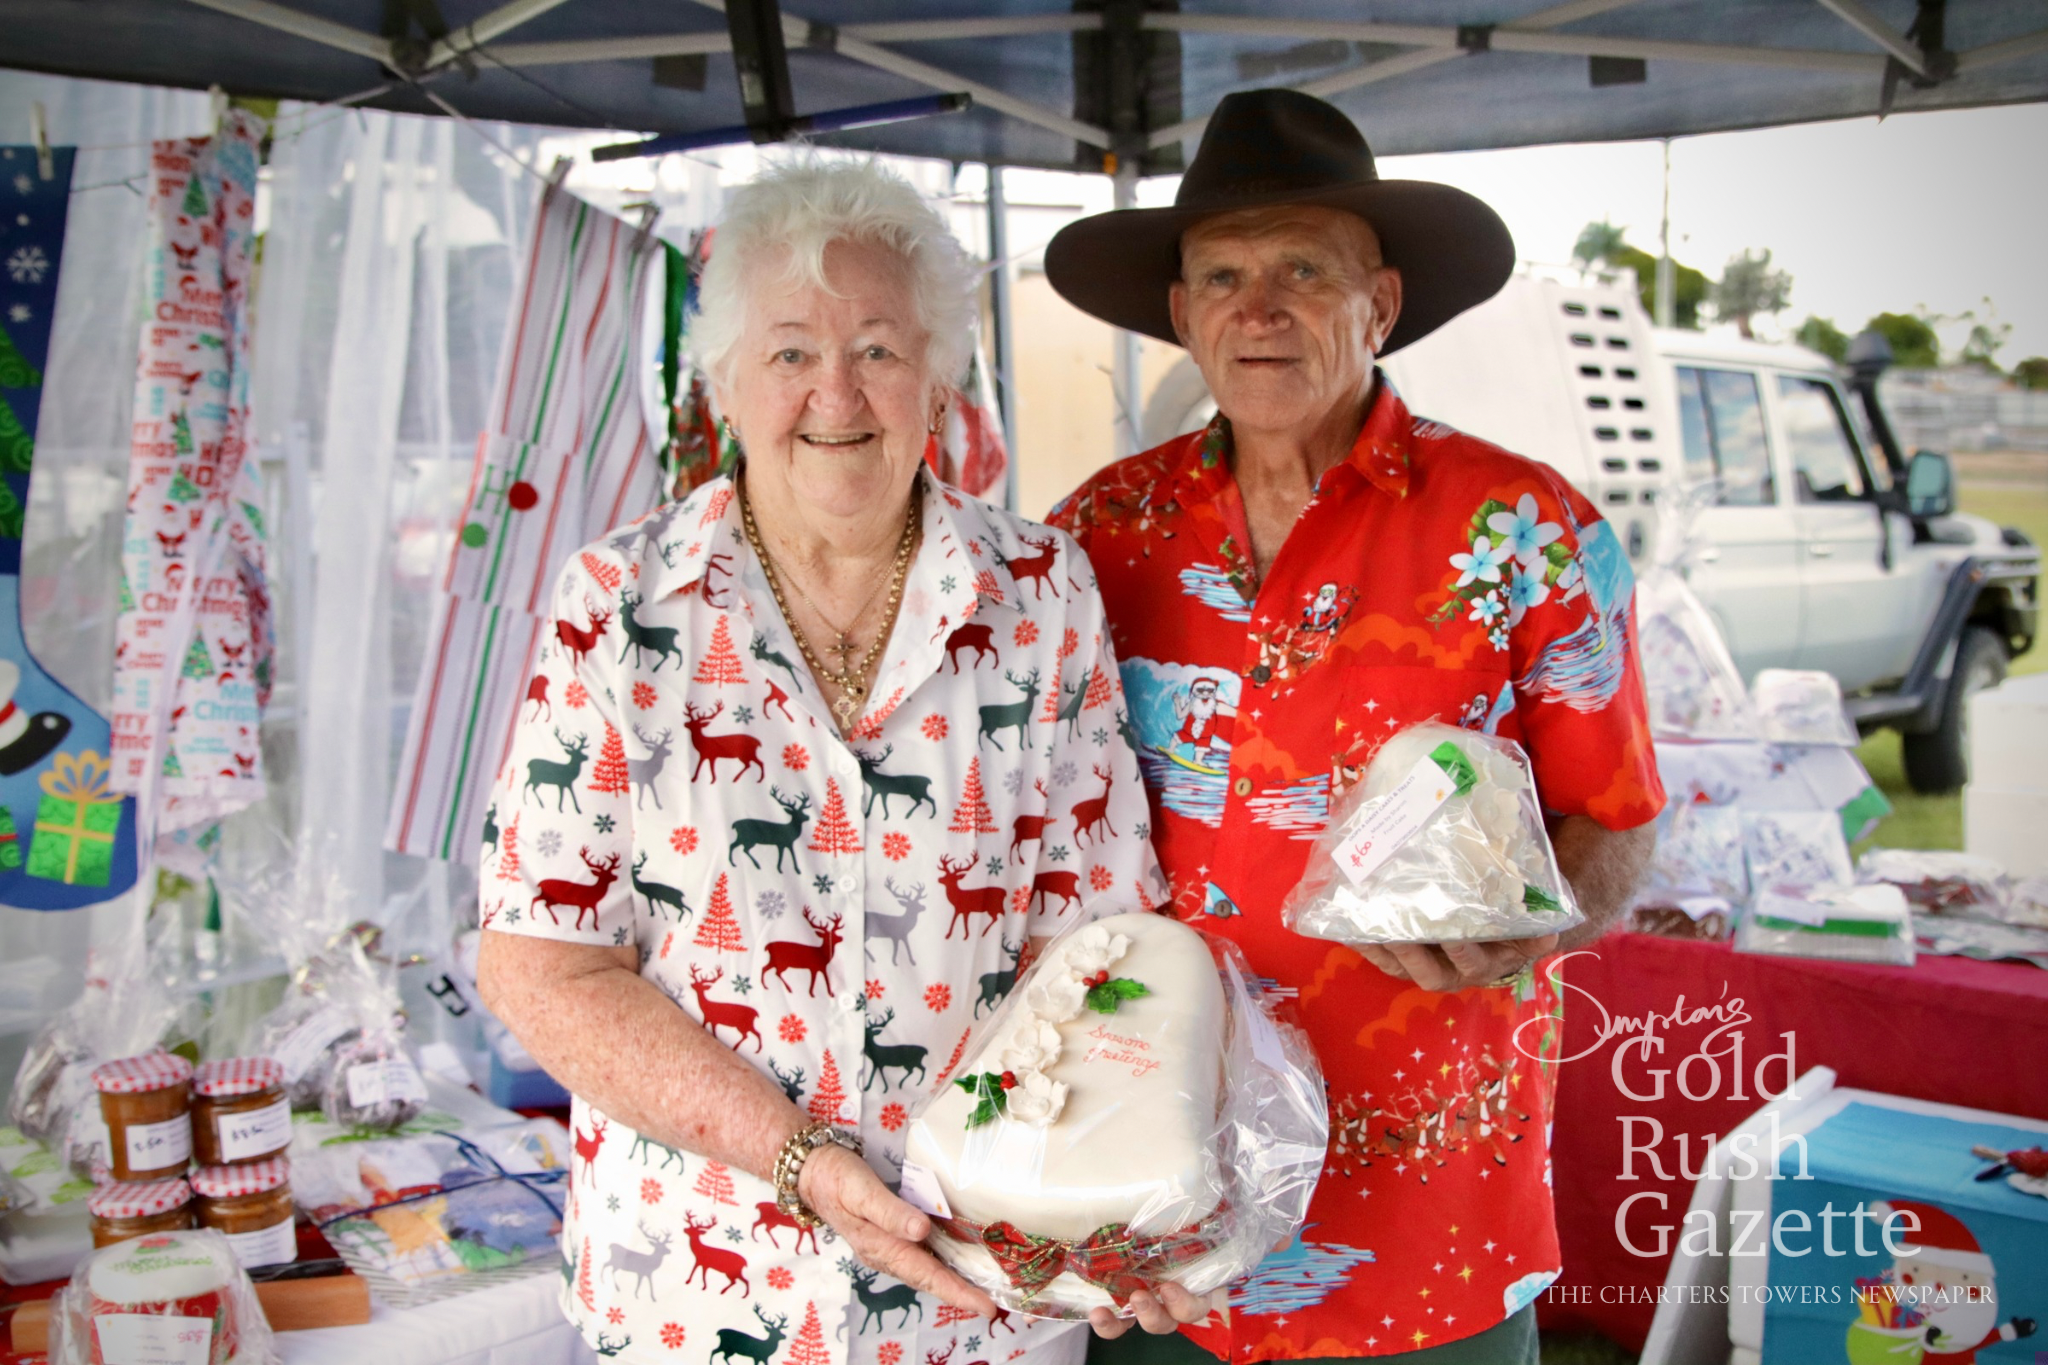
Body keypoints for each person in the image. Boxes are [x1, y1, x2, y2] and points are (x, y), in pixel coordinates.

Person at [477, 160, 1168, 1365]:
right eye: (790, 352)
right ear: (727, 383)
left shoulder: (1043, 591)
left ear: (937, 377)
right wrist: (796, 1157)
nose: (835, 393)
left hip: (982, 1290)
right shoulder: (618, 607)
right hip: (701, 1297)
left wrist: (1100, 1202)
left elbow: (1096, 939)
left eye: (879, 350)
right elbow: (543, 964)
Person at [1045, 90, 1665, 1363]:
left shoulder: (1523, 528)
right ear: (1180, 317)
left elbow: (1612, 816)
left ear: (1377, 306)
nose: (1255, 306)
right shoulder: (1093, 538)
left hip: (1427, 1213)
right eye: (1219, 274)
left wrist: (1534, 922)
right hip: (1157, 1200)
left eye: (1299, 270)